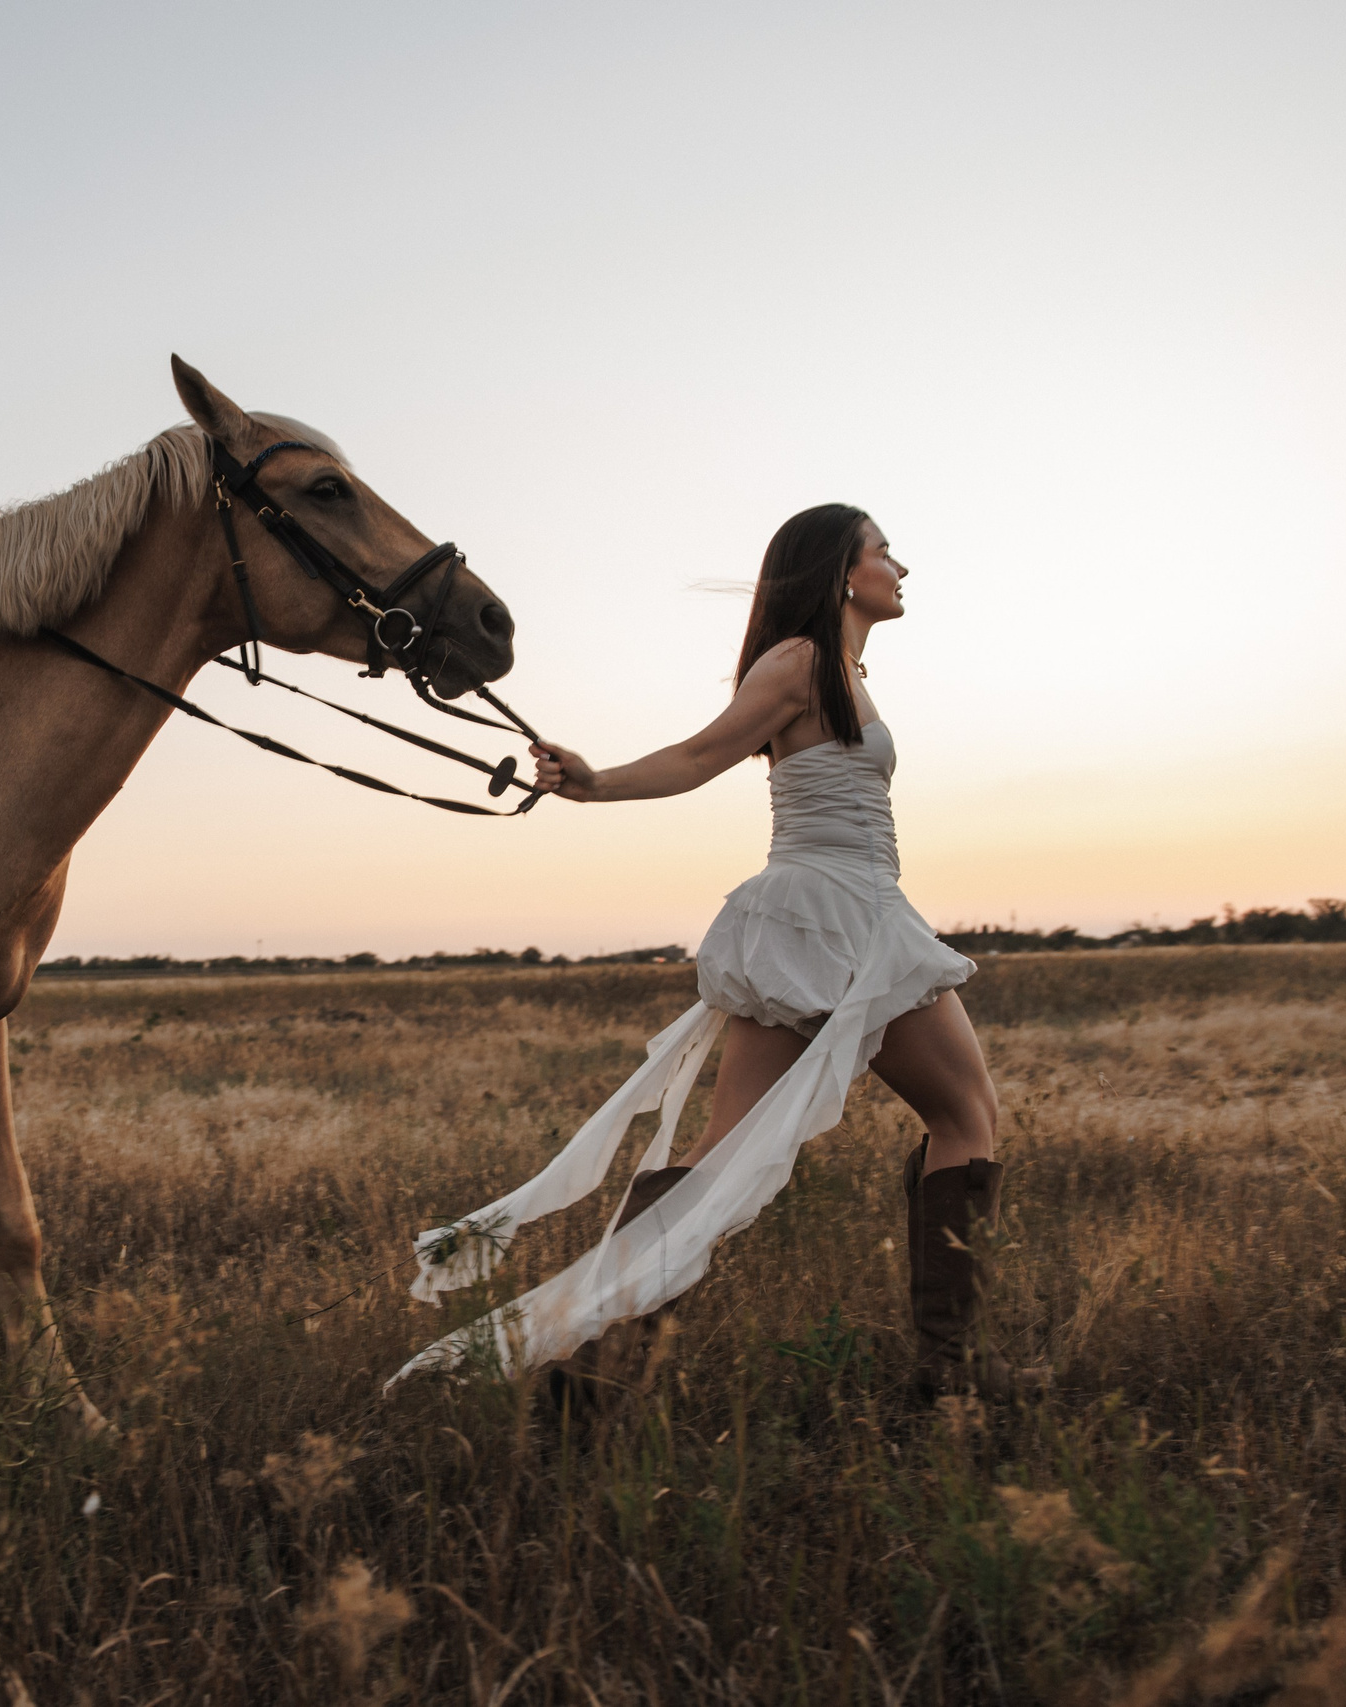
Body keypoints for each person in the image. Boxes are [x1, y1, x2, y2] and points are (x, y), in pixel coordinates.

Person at [392, 504, 1036, 1403]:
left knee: (725, 1150)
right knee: (967, 1115)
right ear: (842, 573)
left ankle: (602, 1379)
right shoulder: (803, 662)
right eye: (884, 550)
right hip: (840, 909)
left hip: (832, 909)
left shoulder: (837, 666)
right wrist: (597, 783)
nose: (900, 565)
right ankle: (955, 1373)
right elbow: (702, 754)